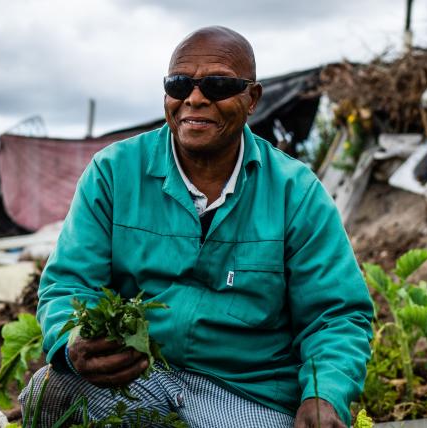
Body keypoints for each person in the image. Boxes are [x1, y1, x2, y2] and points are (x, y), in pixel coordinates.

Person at [22, 26, 373, 428]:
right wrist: (73, 343)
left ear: (251, 98)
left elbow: (336, 314)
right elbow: (68, 284)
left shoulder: (296, 191)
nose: (195, 98)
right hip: (139, 378)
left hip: (245, 392)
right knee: (47, 397)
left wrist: (322, 393)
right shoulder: (115, 172)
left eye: (218, 84)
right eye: (179, 83)